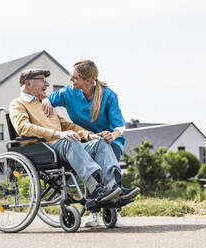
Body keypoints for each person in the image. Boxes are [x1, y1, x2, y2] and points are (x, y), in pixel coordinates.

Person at [9, 68, 137, 211]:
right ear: (28, 84)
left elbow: (67, 125)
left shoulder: (44, 104)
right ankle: (95, 189)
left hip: (62, 145)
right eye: (43, 80)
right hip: (44, 148)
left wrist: (89, 135)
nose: (47, 84)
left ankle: (114, 188)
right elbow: (23, 128)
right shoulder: (17, 104)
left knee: (100, 142)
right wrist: (57, 134)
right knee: (69, 139)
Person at [42, 60, 140, 227]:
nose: (70, 79)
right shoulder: (69, 93)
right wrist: (46, 103)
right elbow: (48, 100)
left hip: (110, 140)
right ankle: (94, 214)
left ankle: (115, 210)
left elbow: (120, 126)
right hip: (85, 140)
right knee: (92, 167)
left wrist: (113, 134)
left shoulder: (108, 95)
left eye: (74, 77)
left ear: (87, 80)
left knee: (105, 157)